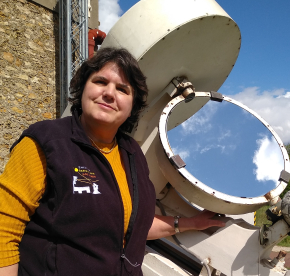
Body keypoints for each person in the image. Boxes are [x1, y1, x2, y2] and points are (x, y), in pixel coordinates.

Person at [0, 47, 225, 276]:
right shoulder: (48, 141)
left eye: (122, 89)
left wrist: (192, 223)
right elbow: (4, 229)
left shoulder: (133, 154)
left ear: (131, 107)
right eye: (100, 81)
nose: (109, 93)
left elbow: (133, 225)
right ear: (83, 88)